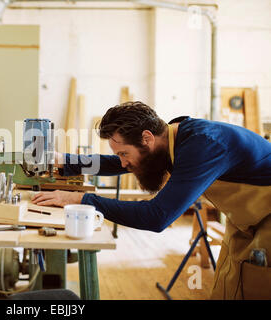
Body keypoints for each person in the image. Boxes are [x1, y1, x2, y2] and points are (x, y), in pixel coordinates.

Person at [31, 101, 271, 299]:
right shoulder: (170, 137)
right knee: (230, 287)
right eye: (120, 154)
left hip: (267, 220)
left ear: (146, 137)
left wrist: (83, 200)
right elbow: (118, 162)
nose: (123, 162)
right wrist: (64, 160)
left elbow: (157, 216)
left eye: (124, 153)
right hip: (246, 221)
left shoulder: (202, 146)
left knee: (255, 287)